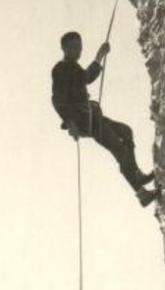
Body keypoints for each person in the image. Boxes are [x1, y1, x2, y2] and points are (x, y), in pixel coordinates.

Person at [52, 32, 156, 207]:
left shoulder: (74, 68)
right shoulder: (61, 69)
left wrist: (100, 55)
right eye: (73, 48)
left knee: (125, 131)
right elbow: (57, 99)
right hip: (83, 120)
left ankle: (136, 173)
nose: (77, 51)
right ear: (64, 48)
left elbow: (86, 78)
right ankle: (140, 192)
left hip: (91, 117)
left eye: (79, 47)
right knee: (119, 149)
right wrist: (70, 122)